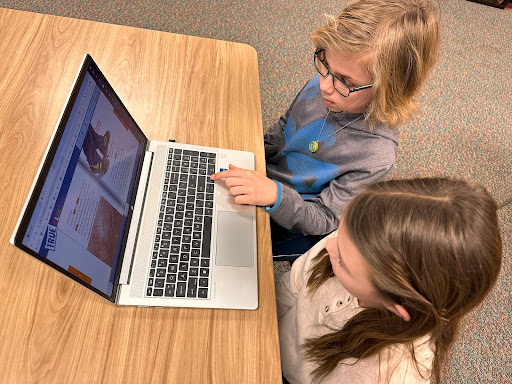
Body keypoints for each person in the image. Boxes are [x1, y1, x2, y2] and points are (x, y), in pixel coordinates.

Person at [211, 0, 441, 257]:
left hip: (285, 216)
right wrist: (249, 155)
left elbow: (324, 218)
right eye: (325, 64)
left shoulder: (375, 157)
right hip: (259, 179)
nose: (325, 86)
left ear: (390, 88)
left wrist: (273, 194)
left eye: (344, 80)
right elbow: (284, 128)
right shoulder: (326, 85)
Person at [276, 177, 503, 384]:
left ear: (395, 305)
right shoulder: (355, 240)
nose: (329, 246)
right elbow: (293, 284)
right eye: (340, 232)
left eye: (343, 263)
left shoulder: (388, 374)